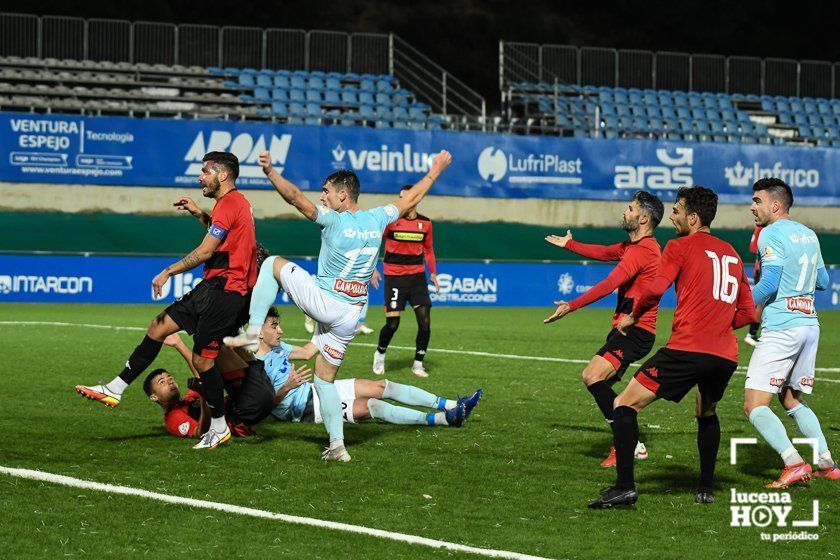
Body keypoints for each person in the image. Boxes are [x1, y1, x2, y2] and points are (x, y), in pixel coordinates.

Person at [226, 149, 453, 462]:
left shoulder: (332, 221)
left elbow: (294, 198)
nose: (322, 196)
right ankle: (337, 447)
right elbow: (411, 198)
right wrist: (436, 170)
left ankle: (252, 333)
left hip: (327, 302)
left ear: (343, 195)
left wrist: (270, 173)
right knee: (323, 381)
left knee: (273, 264)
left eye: (326, 191)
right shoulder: (379, 218)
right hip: (350, 316)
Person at [75, 151, 257, 450]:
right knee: (158, 327)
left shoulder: (231, 202)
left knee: (203, 360)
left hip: (227, 292)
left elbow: (206, 251)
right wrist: (200, 214)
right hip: (213, 287)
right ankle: (115, 388)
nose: (200, 176)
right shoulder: (232, 204)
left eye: (205, 171)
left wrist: (169, 271)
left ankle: (221, 427)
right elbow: (225, 237)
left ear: (222, 175)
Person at [589, 186, 756, 509]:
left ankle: (624, 487)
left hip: (687, 349)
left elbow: (653, 291)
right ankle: (705, 488)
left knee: (623, 405)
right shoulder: (732, 253)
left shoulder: (680, 247)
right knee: (706, 413)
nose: (673, 216)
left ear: (693, 218)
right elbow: (748, 313)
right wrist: (719, 324)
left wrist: (632, 316)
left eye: (678, 211)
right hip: (724, 356)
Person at [544, 190, 664, 467]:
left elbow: (609, 284)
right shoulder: (632, 246)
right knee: (611, 394)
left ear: (643, 218)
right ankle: (624, 442)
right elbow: (604, 252)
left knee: (592, 375)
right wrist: (571, 245)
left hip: (636, 332)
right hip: (624, 331)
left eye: (631, 208)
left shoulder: (643, 251)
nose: (626, 211)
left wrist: (571, 306)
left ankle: (629, 443)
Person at [743, 178, 838, 488]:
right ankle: (825, 461)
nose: (752, 206)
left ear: (775, 205)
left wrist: (736, 307)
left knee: (754, 404)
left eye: (757, 200)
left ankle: (794, 462)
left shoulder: (770, 233)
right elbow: (822, 281)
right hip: (809, 324)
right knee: (790, 398)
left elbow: (769, 284)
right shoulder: (809, 234)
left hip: (783, 327)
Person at [255, 307, 481, 427]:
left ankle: (452, 404)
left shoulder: (279, 347)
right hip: (307, 410)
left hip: (315, 391)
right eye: (274, 326)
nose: (280, 331)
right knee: (371, 406)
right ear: (258, 332)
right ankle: (442, 419)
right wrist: (287, 387)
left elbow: (306, 352)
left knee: (382, 385)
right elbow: (261, 406)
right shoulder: (255, 365)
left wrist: (328, 326)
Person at [145, 333, 277, 439]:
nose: (169, 381)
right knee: (213, 345)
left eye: (170, 377)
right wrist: (204, 397)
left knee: (218, 343)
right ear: (154, 397)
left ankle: (236, 325)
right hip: (245, 410)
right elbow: (199, 433)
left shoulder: (188, 400)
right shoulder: (173, 418)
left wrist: (179, 344)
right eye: (162, 382)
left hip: (254, 398)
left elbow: (201, 373)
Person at [372, 184, 439, 377]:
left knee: (425, 323)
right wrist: (372, 267)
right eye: (400, 197)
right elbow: (375, 241)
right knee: (393, 324)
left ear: (416, 199)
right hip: (394, 278)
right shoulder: (391, 222)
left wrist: (433, 273)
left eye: (406, 197)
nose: (402, 201)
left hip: (417, 278)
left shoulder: (425, 223)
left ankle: (418, 363)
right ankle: (380, 353)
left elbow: (428, 249)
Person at [744, 224, 764, 346]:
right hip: (762, 269)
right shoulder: (764, 227)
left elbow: (752, 248)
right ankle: (751, 334)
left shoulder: (759, 227)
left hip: (760, 268)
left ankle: (753, 333)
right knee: (761, 303)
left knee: (762, 303)